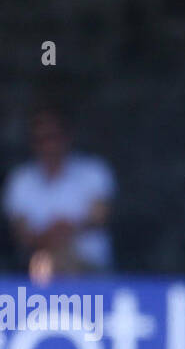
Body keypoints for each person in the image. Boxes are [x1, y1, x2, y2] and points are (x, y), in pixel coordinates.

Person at [3, 104, 115, 284]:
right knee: (47, 261)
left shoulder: (93, 171)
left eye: (53, 137)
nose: (48, 145)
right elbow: (21, 233)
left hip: (91, 267)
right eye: (41, 139)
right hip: (37, 268)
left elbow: (99, 217)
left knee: (59, 261)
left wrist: (66, 230)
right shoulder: (20, 180)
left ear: (67, 137)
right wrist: (51, 236)